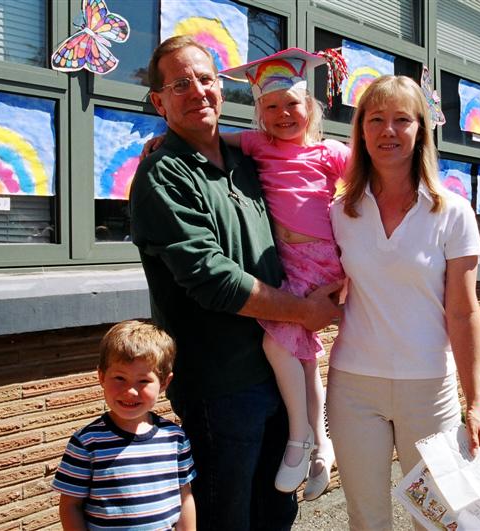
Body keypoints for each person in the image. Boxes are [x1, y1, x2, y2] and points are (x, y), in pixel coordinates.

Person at [129, 36, 342, 530]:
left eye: (206, 79)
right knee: (228, 518)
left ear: (222, 91)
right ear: (159, 102)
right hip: (222, 387)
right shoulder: (164, 175)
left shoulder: (250, 162)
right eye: (180, 85)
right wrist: (305, 311)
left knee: (276, 515)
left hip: (276, 371)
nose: (197, 91)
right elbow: (212, 279)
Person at [327, 74, 480, 530]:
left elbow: (464, 312)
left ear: (421, 130)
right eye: (375, 119)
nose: (388, 130)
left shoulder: (451, 212)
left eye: (402, 119)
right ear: (361, 131)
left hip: (429, 389)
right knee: (366, 518)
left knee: (438, 517)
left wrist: (475, 401)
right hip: (354, 387)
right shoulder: (339, 212)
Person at [52, 320, 196, 531]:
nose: (130, 391)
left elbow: (185, 496)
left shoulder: (175, 438)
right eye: (120, 378)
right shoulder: (86, 443)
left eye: (143, 381)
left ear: (164, 383)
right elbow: (70, 506)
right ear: (101, 376)